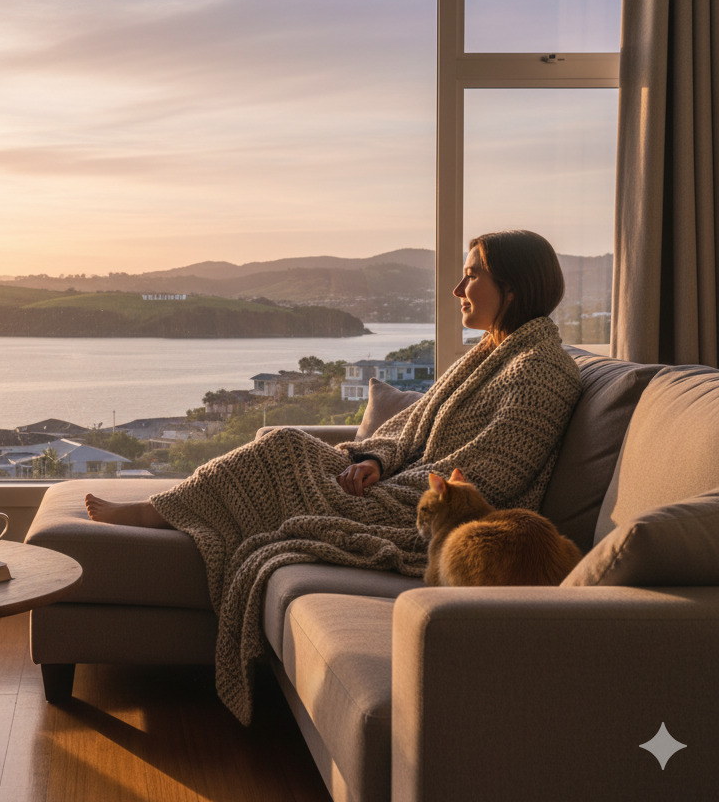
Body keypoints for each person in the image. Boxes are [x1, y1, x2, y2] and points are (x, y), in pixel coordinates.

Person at [83, 229, 583, 725]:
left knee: (281, 447)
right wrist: (375, 461)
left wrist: (389, 486)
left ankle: (158, 511)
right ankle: (180, 507)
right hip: (393, 483)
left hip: (417, 514)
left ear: (512, 288)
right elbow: (409, 428)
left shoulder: (541, 370)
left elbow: (487, 478)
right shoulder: (487, 353)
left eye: (471, 275)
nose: (457, 289)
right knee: (277, 442)